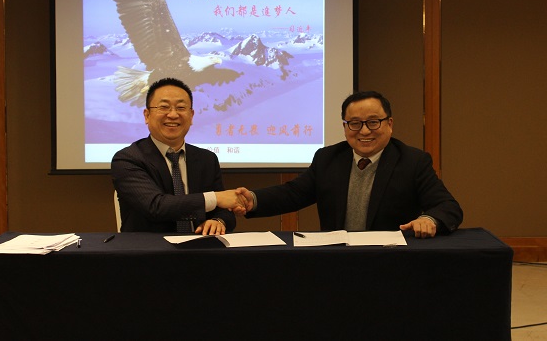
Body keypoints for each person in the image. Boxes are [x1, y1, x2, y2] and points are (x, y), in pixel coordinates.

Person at [235, 90, 463, 238]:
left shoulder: (412, 161)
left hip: (391, 261)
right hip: (338, 260)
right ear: (345, 127)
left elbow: (448, 207)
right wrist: (252, 200)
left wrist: (429, 219)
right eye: (354, 123)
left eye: (373, 122)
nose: (364, 131)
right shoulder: (328, 158)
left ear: (390, 124)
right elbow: (293, 193)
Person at [111, 77, 245, 234]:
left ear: (191, 116)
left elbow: (224, 210)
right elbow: (155, 206)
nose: (173, 115)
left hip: (200, 245)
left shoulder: (207, 159)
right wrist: (215, 198)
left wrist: (218, 221)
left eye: (181, 108)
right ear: (147, 115)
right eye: (164, 107)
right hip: (148, 247)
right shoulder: (128, 159)